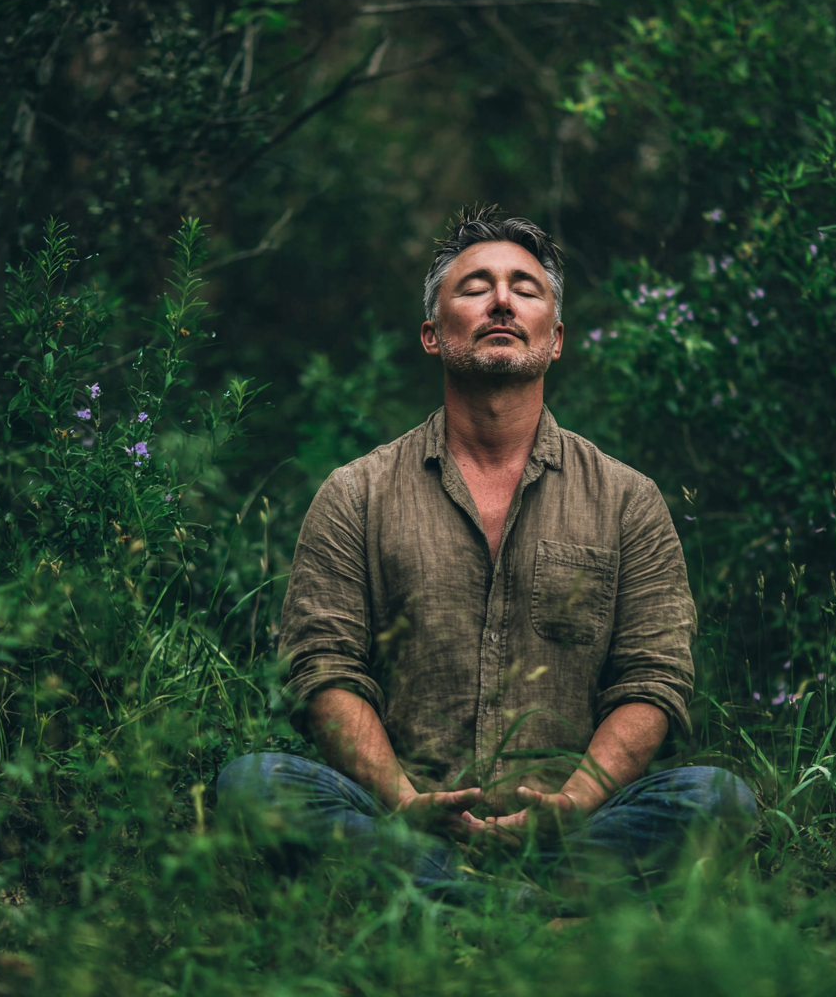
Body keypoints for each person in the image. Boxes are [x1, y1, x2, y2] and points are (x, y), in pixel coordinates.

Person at [218, 204, 756, 905]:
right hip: (401, 827)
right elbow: (323, 669)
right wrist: (405, 801)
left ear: (555, 338)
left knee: (719, 796)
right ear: (432, 334)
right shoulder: (356, 493)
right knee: (253, 783)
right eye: (475, 286)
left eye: (525, 288)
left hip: (579, 831)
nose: (501, 299)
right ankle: (539, 914)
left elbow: (653, 682)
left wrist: (575, 804)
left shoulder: (629, 500)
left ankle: (451, 913)